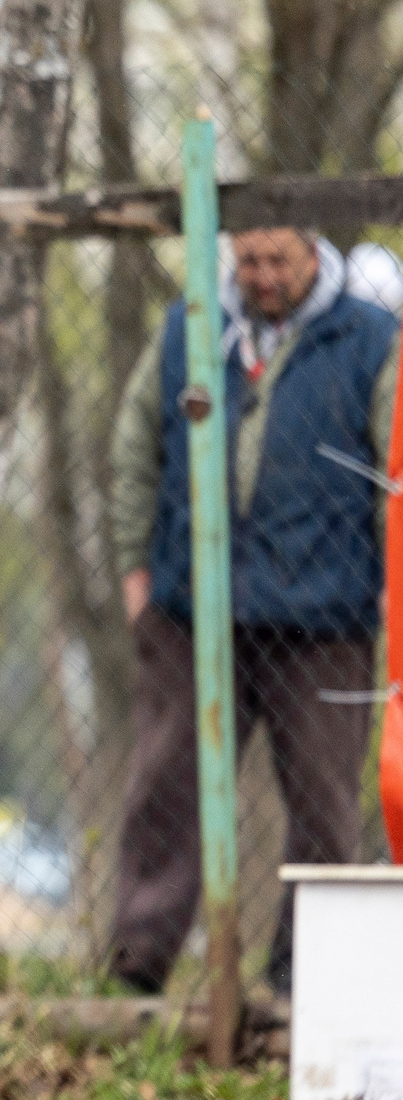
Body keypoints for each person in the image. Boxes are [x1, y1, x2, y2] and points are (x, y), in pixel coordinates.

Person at [107, 229, 399, 996]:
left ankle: (307, 983)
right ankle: (137, 969)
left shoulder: (372, 339)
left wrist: (389, 589)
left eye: (279, 262)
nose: (262, 277)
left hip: (325, 616)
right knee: (166, 786)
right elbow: (136, 444)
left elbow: (392, 471)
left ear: (315, 253)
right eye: (249, 262)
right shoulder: (189, 327)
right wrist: (136, 573)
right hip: (191, 608)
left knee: (325, 803)